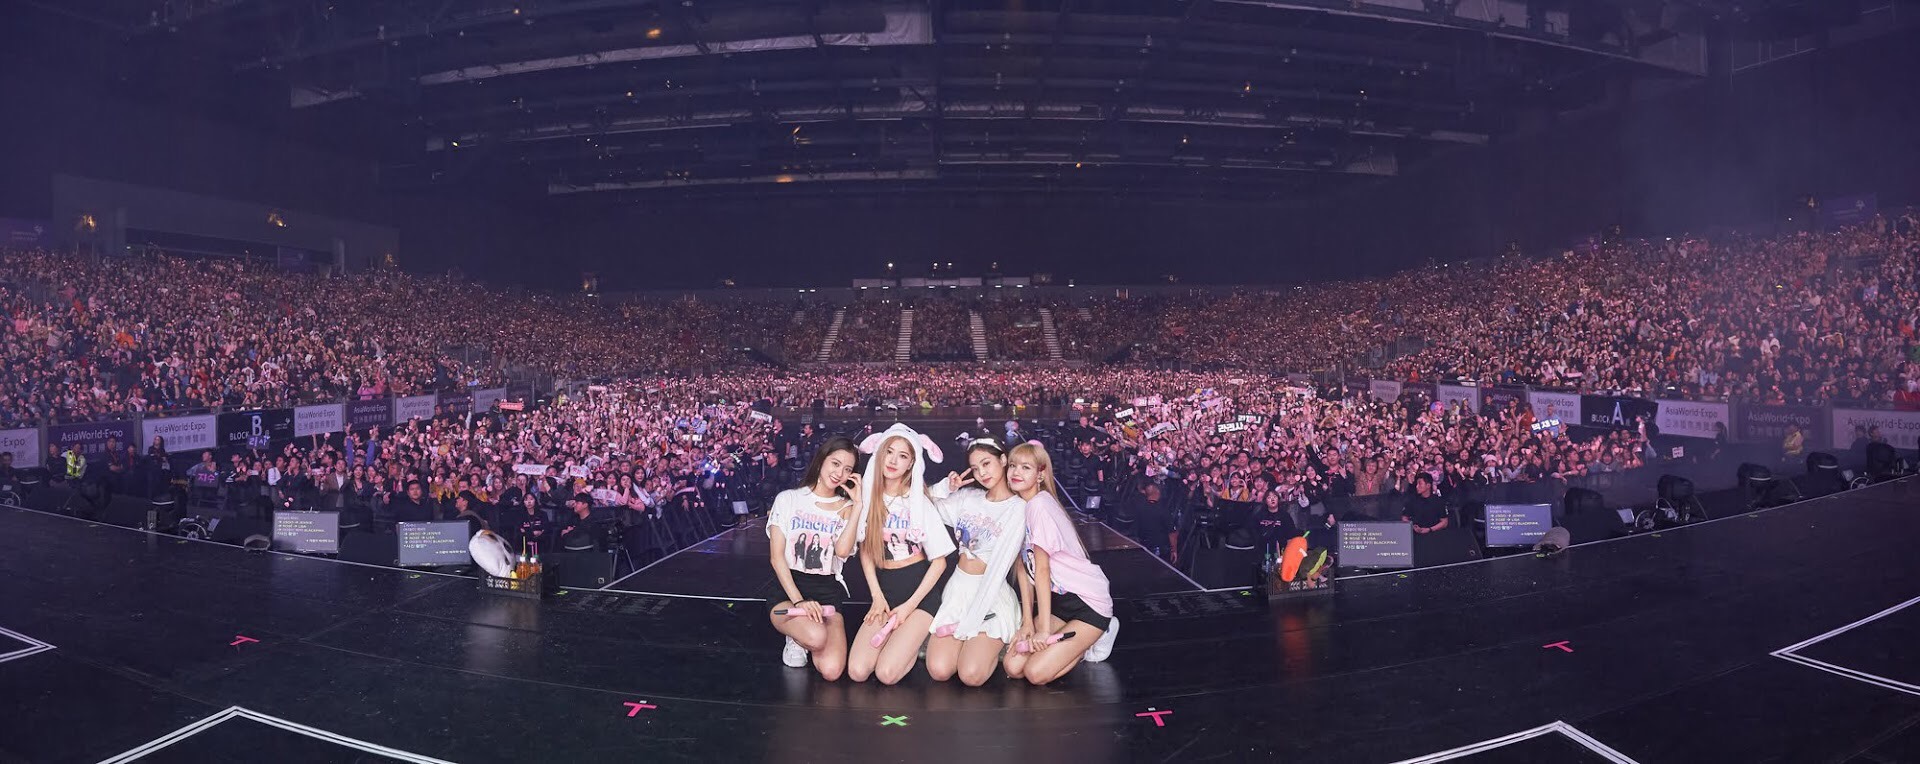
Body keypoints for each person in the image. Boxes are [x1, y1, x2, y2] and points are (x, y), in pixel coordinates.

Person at [847, 424, 954, 685]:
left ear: (911, 464)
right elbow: (866, 551)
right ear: (879, 453)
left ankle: (917, 638)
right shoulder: (869, 499)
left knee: (886, 674)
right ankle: (903, 640)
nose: (893, 460)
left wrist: (908, 607)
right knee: (858, 671)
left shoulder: (918, 501)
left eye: (903, 455)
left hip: (919, 593)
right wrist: (876, 596)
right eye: (889, 452)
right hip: (885, 590)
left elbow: (939, 562)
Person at [1003, 441, 1116, 687]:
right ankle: (1077, 640)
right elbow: (1024, 567)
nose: (1016, 472)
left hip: (1087, 603)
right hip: (1060, 602)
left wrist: (1043, 629)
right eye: (1012, 466)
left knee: (1035, 673)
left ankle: (1097, 635)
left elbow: (1042, 571)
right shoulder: (1021, 506)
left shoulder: (1039, 506)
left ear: (1040, 474)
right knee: (1013, 666)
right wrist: (1027, 623)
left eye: (1025, 467)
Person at [925, 438, 1028, 686]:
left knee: (970, 675)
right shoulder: (967, 498)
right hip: (958, 592)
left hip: (990, 594)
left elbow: (1020, 565)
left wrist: (1028, 619)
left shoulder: (1019, 508)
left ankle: (993, 642)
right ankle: (973, 645)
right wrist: (946, 487)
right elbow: (921, 504)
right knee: (939, 670)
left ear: (1003, 460)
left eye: (986, 463)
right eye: (975, 468)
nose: (982, 473)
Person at [766, 436, 861, 677]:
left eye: (847, 469)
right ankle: (796, 636)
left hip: (827, 590)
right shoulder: (788, 499)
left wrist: (858, 506)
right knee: (817, 637)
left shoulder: (847, 508)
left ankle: (806, 631)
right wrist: (799, 602)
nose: (839, 473)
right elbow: (777, 558)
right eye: (835, 463)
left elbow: (842, 552)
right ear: (821, 461)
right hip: (790, 589)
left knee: (832, 670)